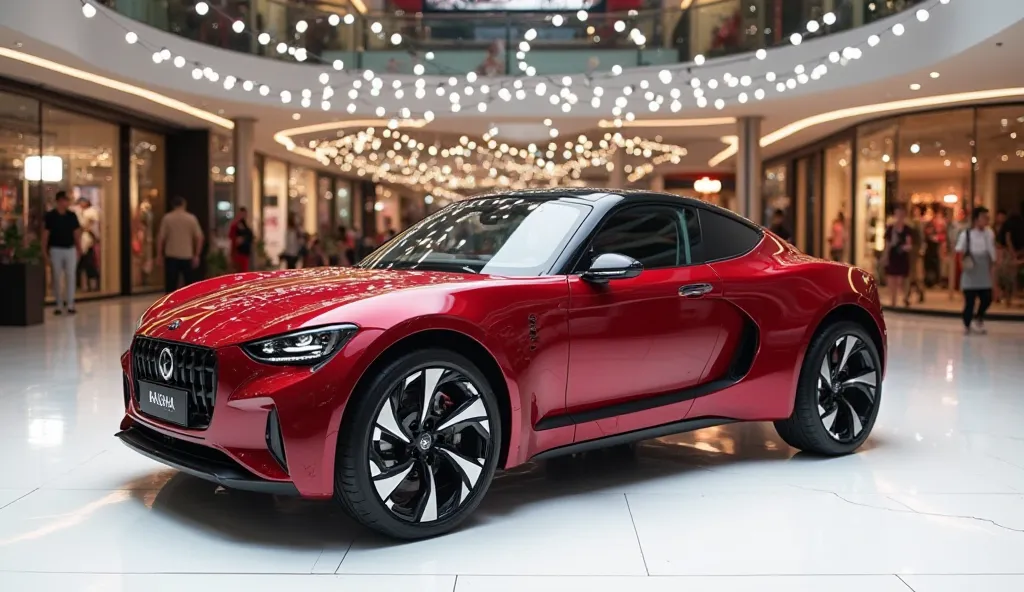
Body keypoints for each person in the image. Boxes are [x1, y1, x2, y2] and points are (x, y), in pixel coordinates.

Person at [956, 206, 998, 334]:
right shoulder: (966, 234)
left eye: (987, 217)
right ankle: (967, 324)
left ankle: (979, 317)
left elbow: (991, 251)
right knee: (970, 300)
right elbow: (959, 251)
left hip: (984, 268)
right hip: (971, 268)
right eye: (983, 217)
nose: (986, 220)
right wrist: (962, 266)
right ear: (976, 219)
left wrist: (994, 264)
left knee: (987, 297)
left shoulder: (989, 233)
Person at [42, 191, 81, 315]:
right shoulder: (50, 216)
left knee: (70, 276)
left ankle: (70, 304)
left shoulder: (71, 215)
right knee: (57, 277)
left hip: (70, 248)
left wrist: (79, 249)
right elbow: (45, 234)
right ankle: (58, 304)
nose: (66, 203)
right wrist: (44, 251)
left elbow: (76, 233)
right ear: (59, 201)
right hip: (55, 249)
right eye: (65, 200)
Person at [157, 196, 204, 293]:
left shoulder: (167, 218)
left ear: (173, 205)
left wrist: (159, 255)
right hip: (187, 255)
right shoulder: (191, 218)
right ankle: (187, 305)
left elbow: (161, 238)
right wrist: (197, 255)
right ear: (184, 204)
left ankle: (170, 306)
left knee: (171, 284)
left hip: (171, 255)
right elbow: (200, 237)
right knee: (189, 285)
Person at [883, 204, 913, 307]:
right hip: (893, 255)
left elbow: (909, 244)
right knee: (892, 278)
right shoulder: (890, 229)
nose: (899, 216)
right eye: (897, 213)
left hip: (902, 257)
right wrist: (885, 256)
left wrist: (905, 247)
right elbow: (887, 244)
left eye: (901, 214)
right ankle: (893, 301)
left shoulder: (907, 229)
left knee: (901, 280)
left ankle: (904, 298)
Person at [75, 196, 100, 292]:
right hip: (82, 241)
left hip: (88, 241)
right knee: (82, 264)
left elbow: (89, 225)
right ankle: (83, 284)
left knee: (89, 263)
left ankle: (92, 284)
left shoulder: (91, 212)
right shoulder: (80, 212)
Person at [228, 206, 254, 272]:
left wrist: (244, 239)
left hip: (245, 253)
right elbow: (231, 236)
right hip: (237, 253)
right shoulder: (235, 226)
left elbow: (250, 237)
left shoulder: (246, 226)